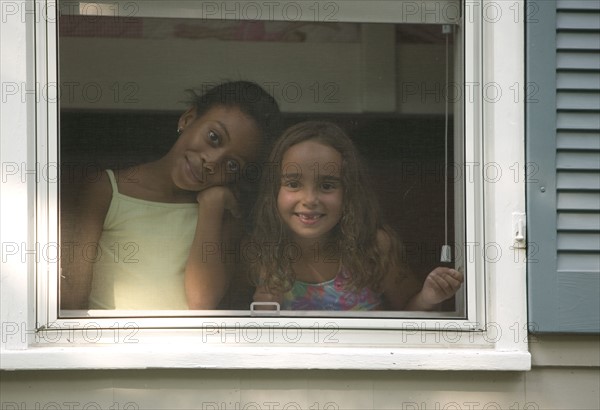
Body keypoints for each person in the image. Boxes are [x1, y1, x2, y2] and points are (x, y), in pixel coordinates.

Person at [60, 81, 281, 310]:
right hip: (111, 343)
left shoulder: (224, 214)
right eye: (214, 138)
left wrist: (210, 208)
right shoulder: (107, 189)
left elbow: (202, 302)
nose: (212, 162)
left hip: (186, 345)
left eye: (232, 164)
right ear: (188, 119)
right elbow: (73, 298)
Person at [250, 121, 463, 311]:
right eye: (293, 184)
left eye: (327, 185)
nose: (310, 199)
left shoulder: (372, 246)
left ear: (349, 193)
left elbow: (411, 311)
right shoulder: (263, 252)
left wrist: (428, 298)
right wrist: (264, 309)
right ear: (274, 191)